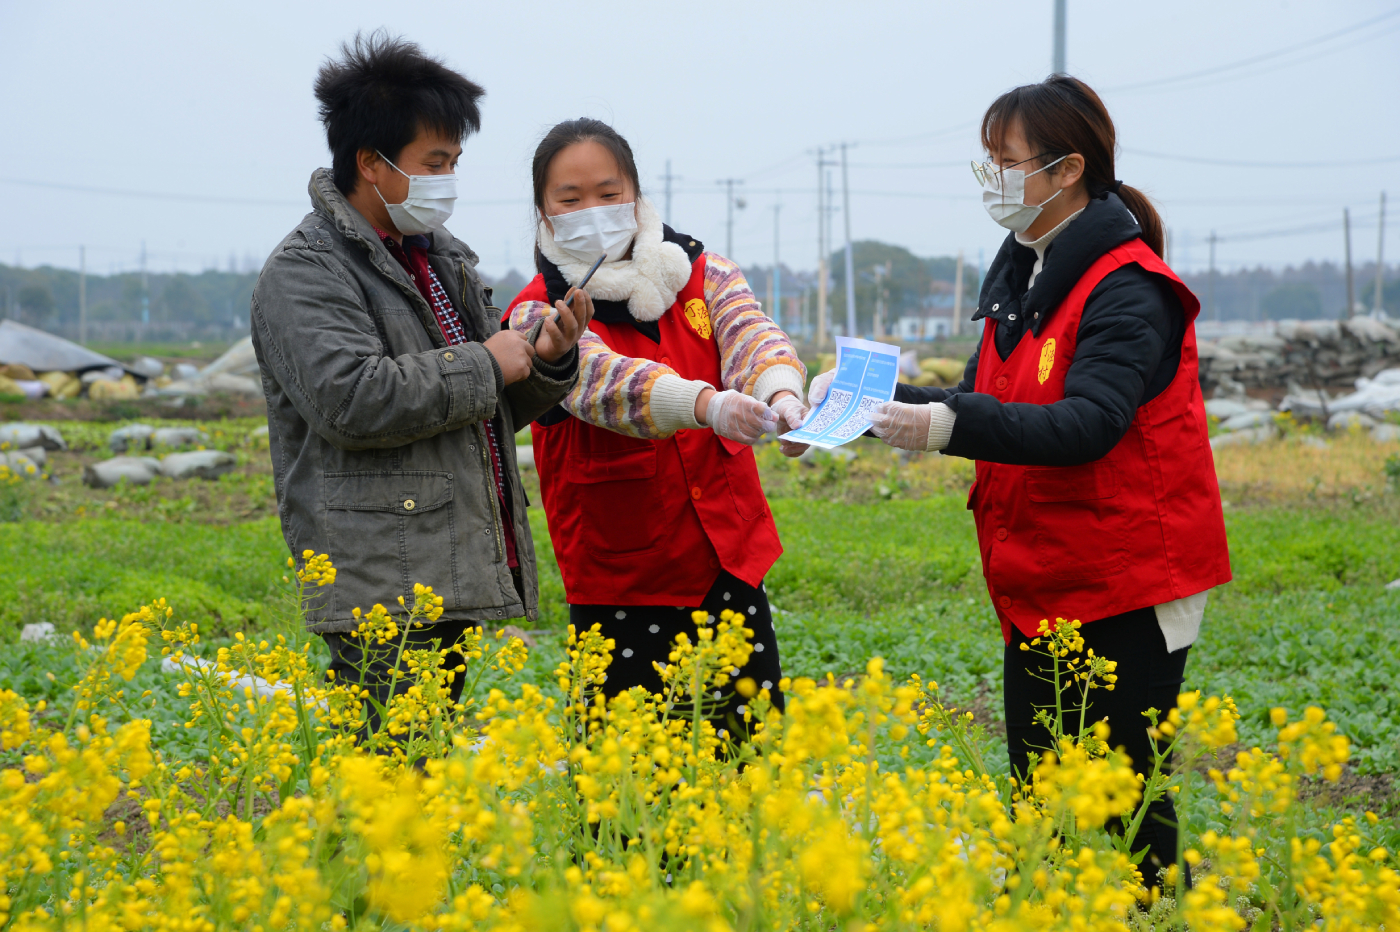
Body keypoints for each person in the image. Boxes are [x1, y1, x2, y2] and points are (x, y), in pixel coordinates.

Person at [814, 75, 1232, 881]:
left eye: (1003, 161)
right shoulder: (1026, 277)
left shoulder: (1127, 287)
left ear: (1067, 169)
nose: (990, 178)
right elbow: (983, 400)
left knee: (1123, 803)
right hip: (1045, 572)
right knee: (1040, 793)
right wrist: (864, 405)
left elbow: (1087, 425)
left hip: (1130, 579)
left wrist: (938, 428)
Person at [250, 33, 587, 728]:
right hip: (382, 574)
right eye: (434, 162)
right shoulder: (307, 271)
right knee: (387, 778)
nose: (448, 179)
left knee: (416, 777)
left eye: (454, 161)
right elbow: (351, 399)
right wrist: (488, 361)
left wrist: (545, 359)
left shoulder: (437, 260)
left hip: (437, 563)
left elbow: (472, 406)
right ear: (371, 164)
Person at [505, 119, 807, 728]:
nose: (592, 209)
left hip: (729, 558)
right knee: (631, 788)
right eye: (570, 198)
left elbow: (750, 334)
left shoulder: (702, 272)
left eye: (609, 193)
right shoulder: (536, 311)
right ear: (543, 213)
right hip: (623, 576)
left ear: (636, 195)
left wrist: (782, 392)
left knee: (747, 756)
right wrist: (708, 405)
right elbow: (602, 384)